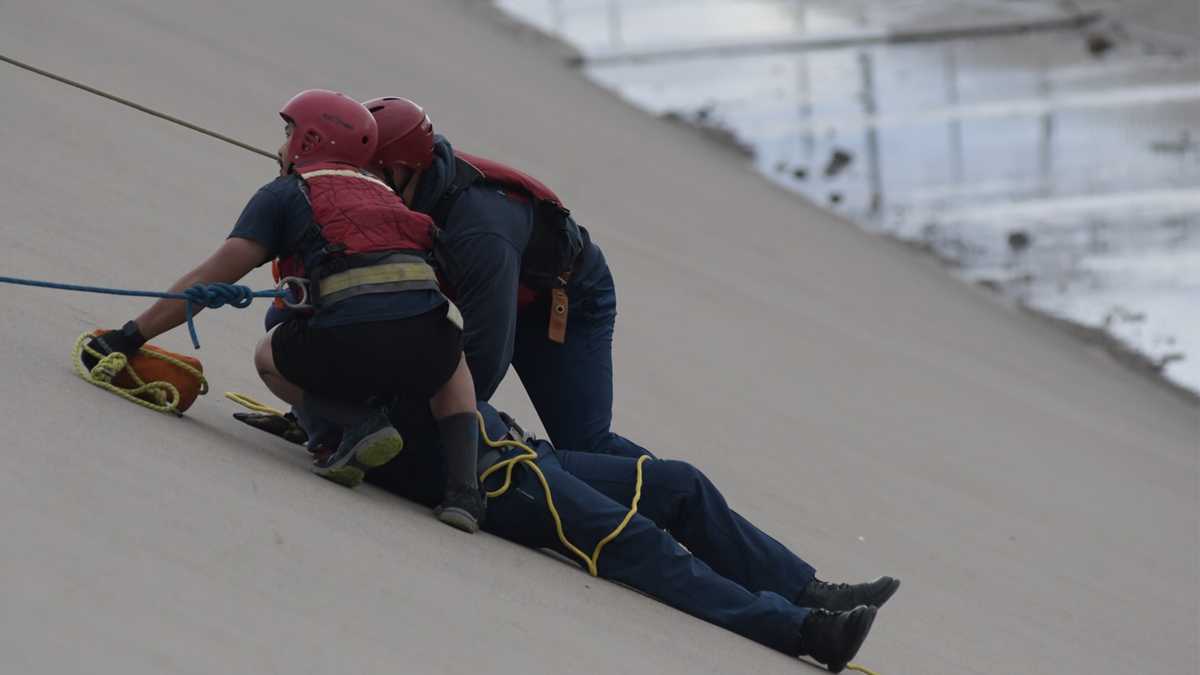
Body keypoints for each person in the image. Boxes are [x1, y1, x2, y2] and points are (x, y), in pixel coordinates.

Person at [84, 89, 485, 532]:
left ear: (309, 142)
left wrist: (130, 336)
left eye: (288, 133)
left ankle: (360, 424)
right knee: (451, 356)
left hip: (350, 344)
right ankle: (464, 493)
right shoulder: (391, 198)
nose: (281, 146)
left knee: (269, 354)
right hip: (423, 348)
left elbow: (213, 274)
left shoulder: (285, 193)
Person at [285, 400, 900, 673]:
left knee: (680, 484)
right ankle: (803, 631)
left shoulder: (382, 309)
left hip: (524, 452)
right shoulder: (322, 335)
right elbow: (279, 362)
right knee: (641, 546)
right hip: (505, 483)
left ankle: (812, 592)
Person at [360, 96, 650, 459]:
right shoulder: (408, 190)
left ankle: (680, 506)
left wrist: (424, 438)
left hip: (565, 300)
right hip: (492, 283)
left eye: (367, 174)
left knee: (585, 443)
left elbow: (485, 358)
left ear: (404, 169)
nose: (358, 186)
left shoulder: (479, 231)